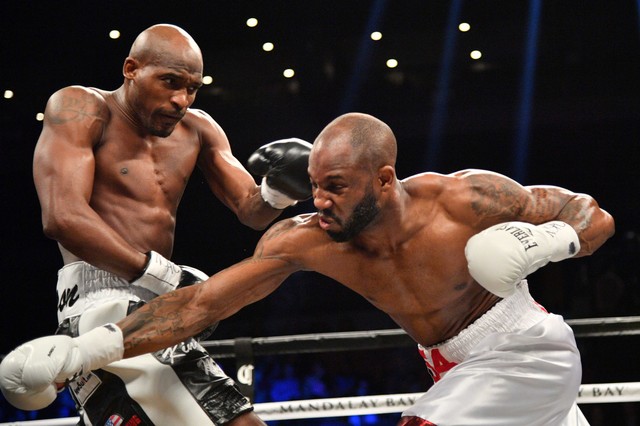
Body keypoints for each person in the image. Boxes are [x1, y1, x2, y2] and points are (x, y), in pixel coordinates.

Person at [1, 113, 615, 425]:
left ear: (383, 179)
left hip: (526, 348)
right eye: (315, 185)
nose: (319, 201)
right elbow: (201, 305)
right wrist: (86, 352)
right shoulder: (307, 239)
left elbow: (592, 215)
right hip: (454, 367)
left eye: (337, 187)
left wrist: (554, 240)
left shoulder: (462, 200)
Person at [15, 23, 313, 426]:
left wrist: (279, 189)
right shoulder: (81, 108)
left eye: (192, 88)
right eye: (169, 82)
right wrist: (162, 275)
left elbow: (250, 209)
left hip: (158, 311)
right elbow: (62, 217)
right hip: (99, 304)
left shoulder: (199, 129)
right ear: (131, 68)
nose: (181, 100)